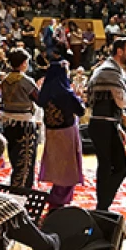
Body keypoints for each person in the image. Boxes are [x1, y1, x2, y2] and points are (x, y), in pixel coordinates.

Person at [85, 38, 126, 211]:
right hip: (105, 125)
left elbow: (100, 100)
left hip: (101, 123)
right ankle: (102, 206)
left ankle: (102, 205)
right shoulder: (111, 72)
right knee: (120, 167)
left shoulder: (102, 69)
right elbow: (122, 102)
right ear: (119, 52)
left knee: (105, 166)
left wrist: (118, 125)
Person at [38, 61, 86, 211]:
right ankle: (59, 198)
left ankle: (57, 196)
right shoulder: (66, 93)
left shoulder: (44, 93)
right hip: (66, 133)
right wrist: (78, 97)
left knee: (56, 164)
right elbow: (81, 111)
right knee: (68, 167)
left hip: (51, 132)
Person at [0, 49, 41, 190]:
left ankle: (16, 185)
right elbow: (38, 99)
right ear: (24, 63)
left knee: (14, 155)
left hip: (8, 122)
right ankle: (21, 190)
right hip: (25, 123)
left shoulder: (5, 80)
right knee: (25, 161)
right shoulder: (26, 81)